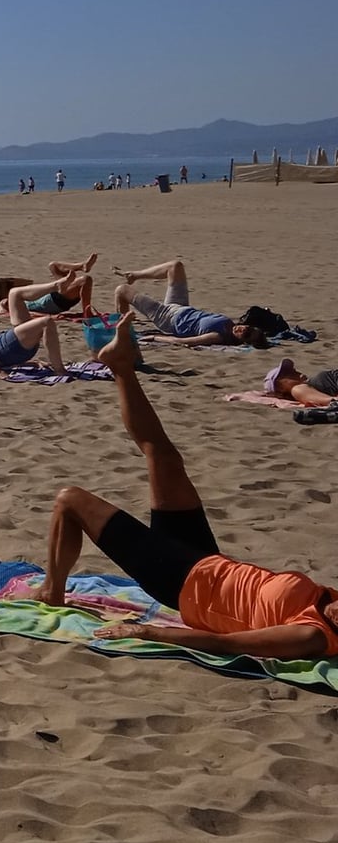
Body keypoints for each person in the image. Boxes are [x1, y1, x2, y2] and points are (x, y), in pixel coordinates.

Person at [36, 317, 337, 660]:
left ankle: (52, 592)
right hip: (207, 560)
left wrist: (149, 631)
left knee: (70, 500)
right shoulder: (331, 601)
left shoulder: (312, 635)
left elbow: (229, 644)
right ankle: (121, 366)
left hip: (178, 582)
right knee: (164, 456)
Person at [113, 259, 267, 348]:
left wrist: (155, 338)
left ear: (242, 341)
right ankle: (134, 275)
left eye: (245, 334)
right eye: (249, 327)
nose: (243, 328)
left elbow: (180, 341)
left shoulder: (217, 336)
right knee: (176, 266)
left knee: (122, 290)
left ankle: (123, 328)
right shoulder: (230, 324)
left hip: (167, 318)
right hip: (181, 307)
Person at [262, 360, 338, 409]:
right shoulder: (297, 389)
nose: (294, 370)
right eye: (287, 372)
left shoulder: (309, 385)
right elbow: (331, 401)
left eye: (291, 369)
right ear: (281, 388)